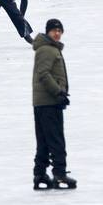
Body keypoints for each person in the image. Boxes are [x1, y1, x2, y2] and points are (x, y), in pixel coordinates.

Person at [32, 18, 76, 189]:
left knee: (44, 140)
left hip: (44, 102)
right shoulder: (46, 50)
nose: (57, 33)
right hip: (49, 101)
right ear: (48, 32)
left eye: (60, 31)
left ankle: (40, 174)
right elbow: (43, 74)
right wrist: (58, 92)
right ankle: (59, 173)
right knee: (56, 139)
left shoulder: (49, 49)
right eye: (54, 31)